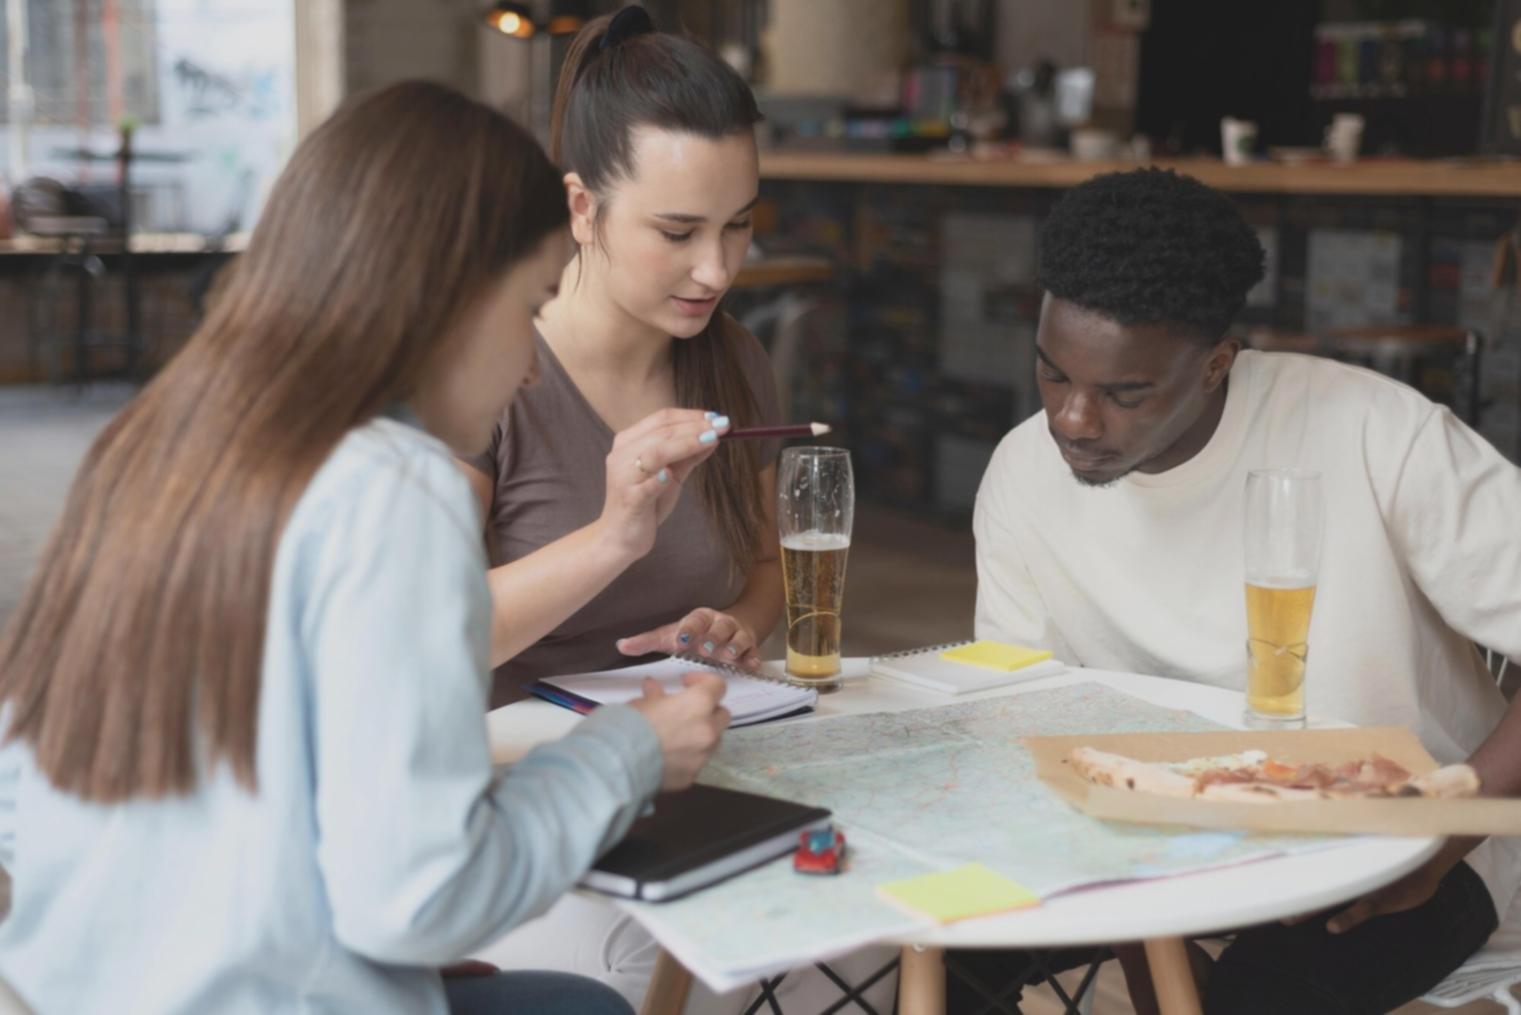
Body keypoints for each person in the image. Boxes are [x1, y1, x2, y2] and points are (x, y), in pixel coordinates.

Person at [0, 81, 732, 1015]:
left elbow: (21, 803)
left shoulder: (153, 443)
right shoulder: (397, 488)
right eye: (528, 308)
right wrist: (625, 752)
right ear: (444, 299)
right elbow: (418, 899)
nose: (526, 367)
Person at [969, 167, 1521, 1014]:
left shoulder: (1377, 432)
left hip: (1391, 839)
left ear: (1218, 362)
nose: (1073, 421)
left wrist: (1449, 834)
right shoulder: (1020, 471)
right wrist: (1144, 932)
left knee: (1257, 1001)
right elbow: (1022, 714)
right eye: (1052, 375)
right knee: (948, 948)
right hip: (1151, 832)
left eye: (1123, 393)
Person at [460, 4, 784, 711]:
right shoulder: (482, 372)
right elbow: (423, 633)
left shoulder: (734, 358)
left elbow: (766, 565)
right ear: (581, 207)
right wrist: (613, 536)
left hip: (695, 745)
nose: (716, 270)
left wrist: (737, 627)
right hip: (524, 770)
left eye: (737, 225)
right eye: (677, 232)